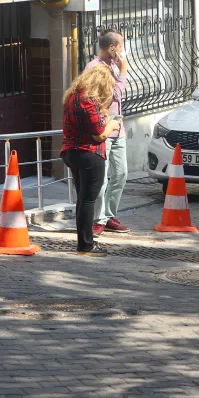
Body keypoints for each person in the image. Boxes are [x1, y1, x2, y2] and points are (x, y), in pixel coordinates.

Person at [61, 65, 120, 256]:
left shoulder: (72, 97)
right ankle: (86, 244)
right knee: (88, 201)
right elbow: (99, 135)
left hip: (72, 152)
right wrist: (113, 124)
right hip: (89, 153)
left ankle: (84, 242)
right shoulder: (89, 102)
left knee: (82, 199)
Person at [85, 29, 130, 236]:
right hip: (102, 131)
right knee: (101, 178)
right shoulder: (94, 68)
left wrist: (119, 70)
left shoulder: (113, 65)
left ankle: (109, 215)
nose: (122, 51)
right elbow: (111, 97)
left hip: (118, 129)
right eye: (120, 46)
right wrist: (123, 73)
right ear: (111, 47)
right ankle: (99, 219)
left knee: (121, 174)